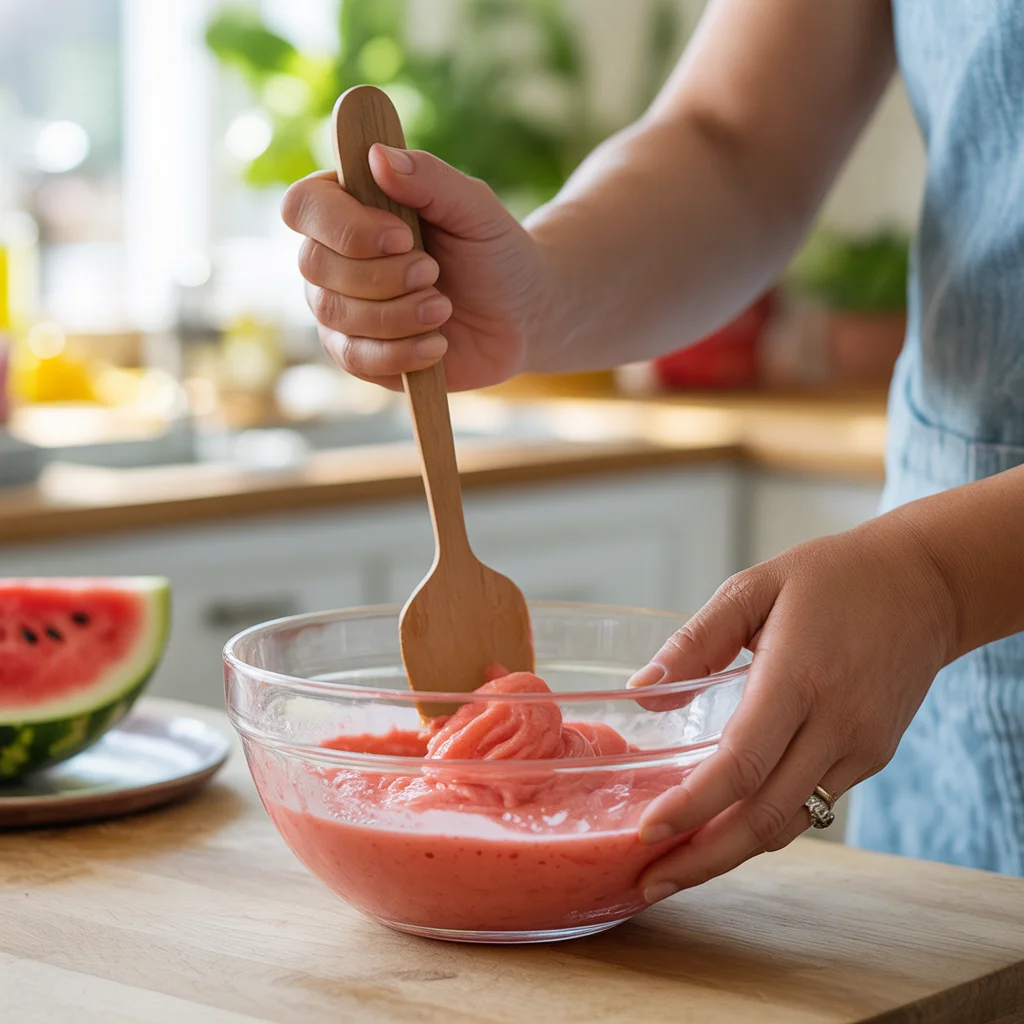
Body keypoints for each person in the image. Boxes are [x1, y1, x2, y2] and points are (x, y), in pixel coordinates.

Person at [281, 0, 1024, 900]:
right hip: (949, 703)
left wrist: (940, 579)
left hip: (926, 587)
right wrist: (540, 294)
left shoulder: (925, 579)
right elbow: (734, 142)